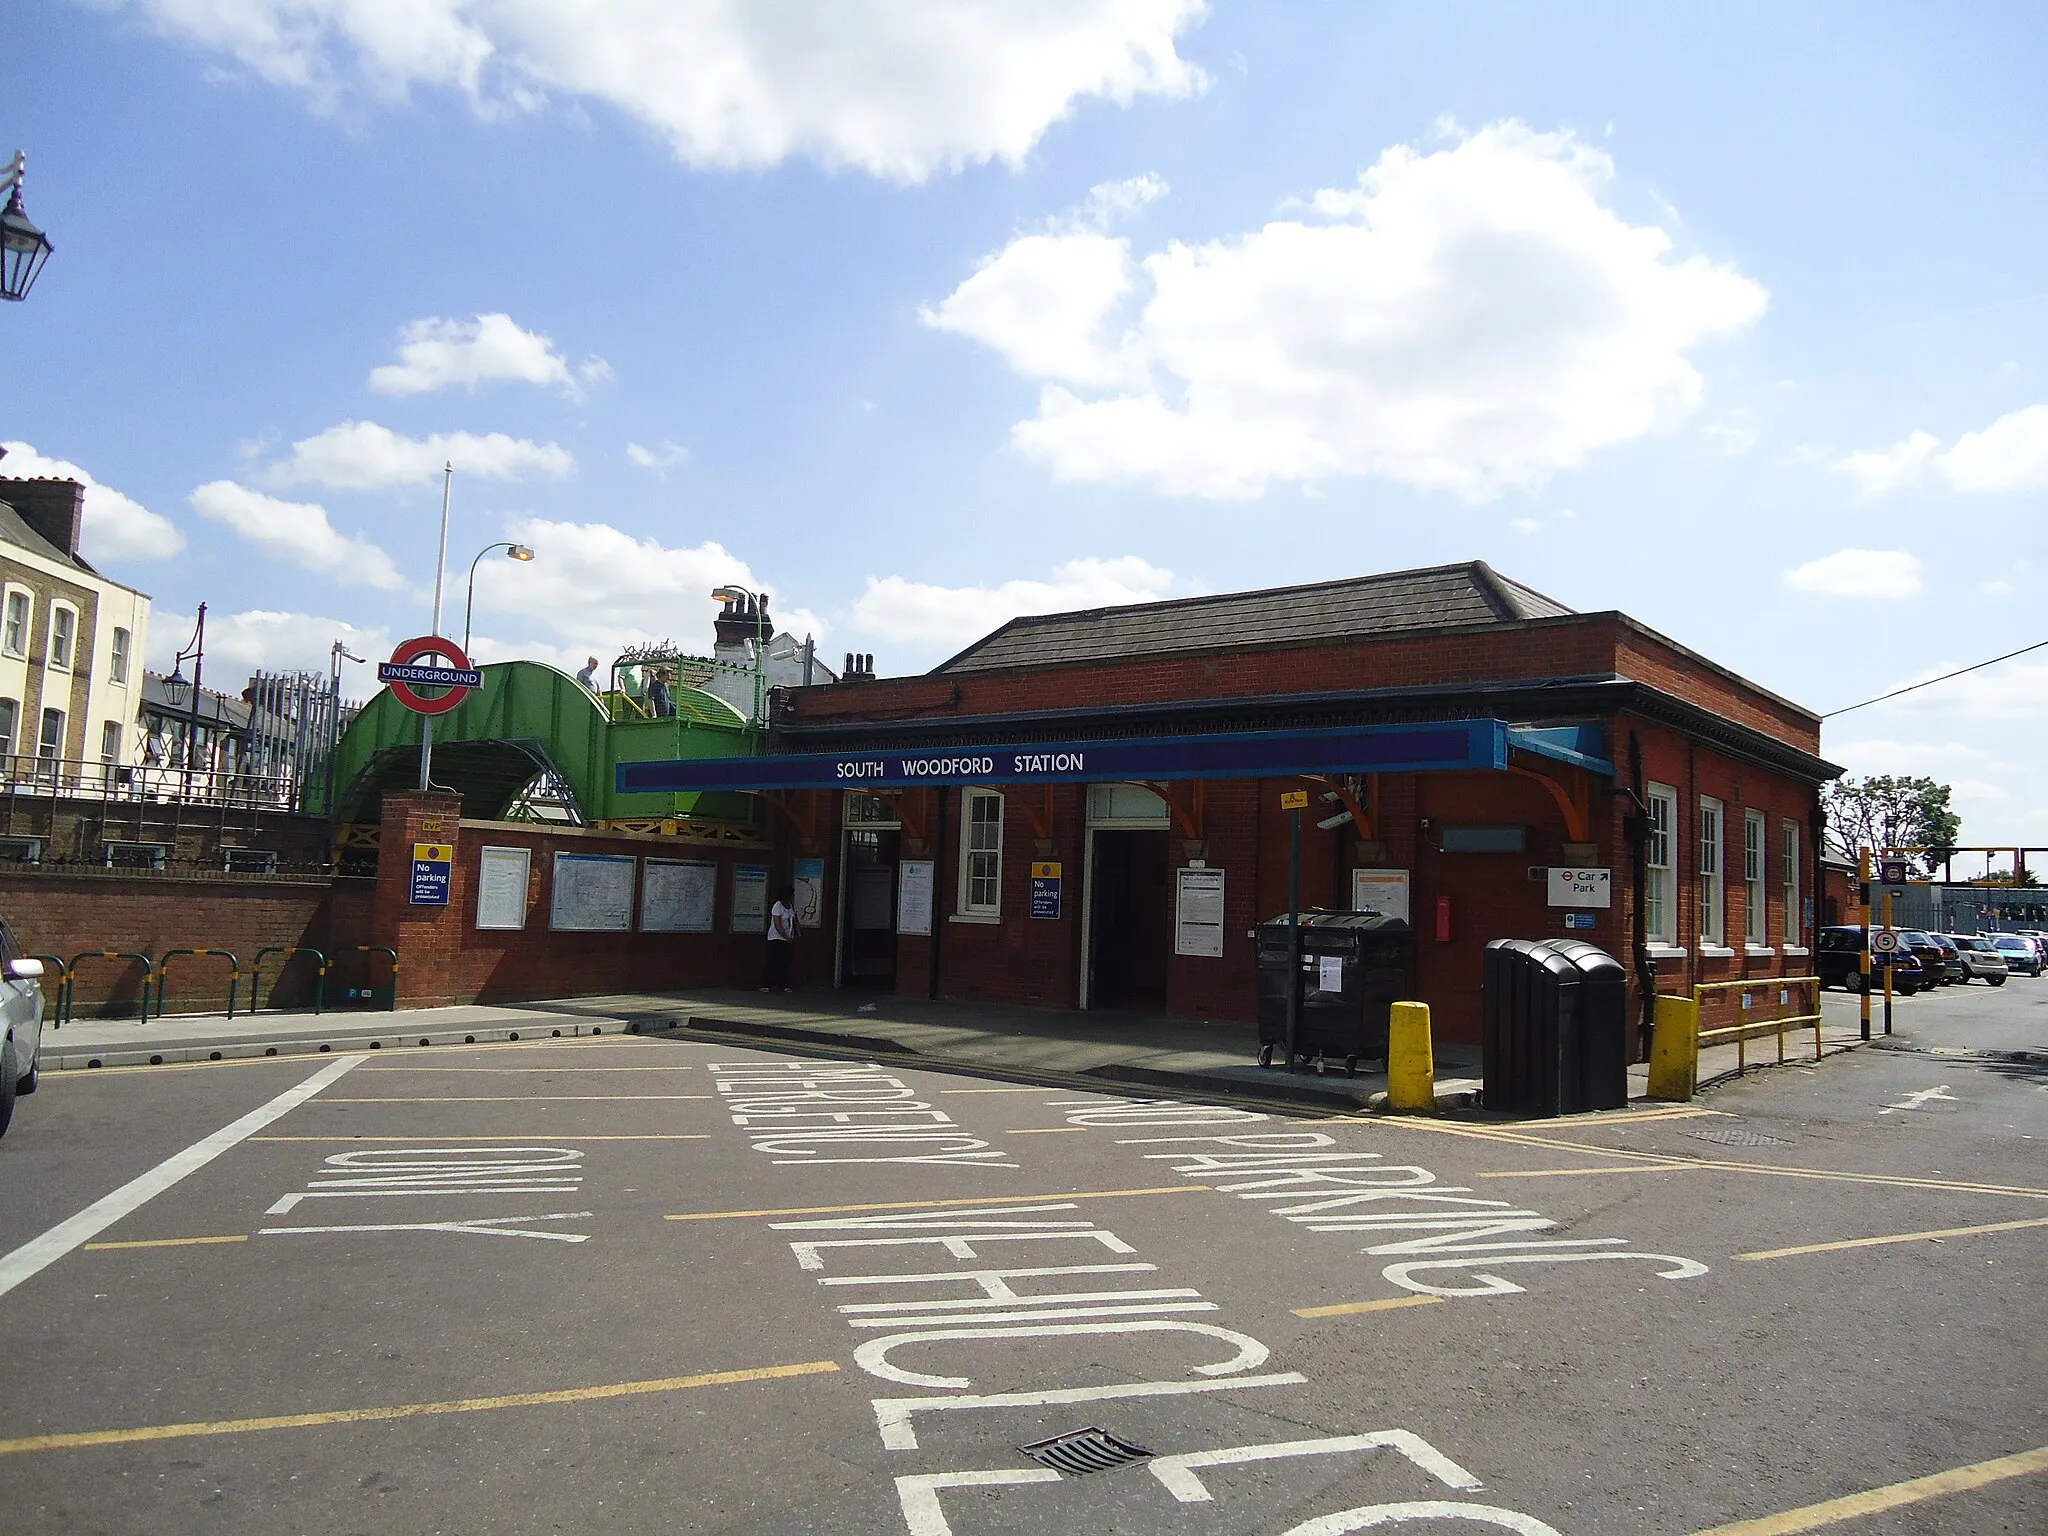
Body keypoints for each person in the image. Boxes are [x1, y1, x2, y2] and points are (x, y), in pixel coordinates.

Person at [761, 885, 795, 992]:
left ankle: (782, 984)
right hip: (776, 938)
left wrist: (796, 933)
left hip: (788, 938)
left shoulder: (790, 905)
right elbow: (777, 924)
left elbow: (794, 919)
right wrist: (785, 936)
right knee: (773, 961)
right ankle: (765, 984)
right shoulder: (778, 905)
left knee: (785, 962)